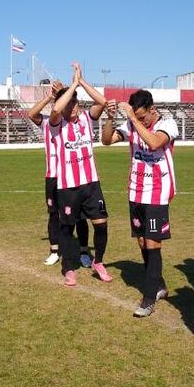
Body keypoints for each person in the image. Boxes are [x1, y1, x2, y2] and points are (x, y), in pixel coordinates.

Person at [101, 89, 178, 317]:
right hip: (136, 191)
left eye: (144, 116)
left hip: (157, 192)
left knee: (153, 244)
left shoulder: (169, 124)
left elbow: (154, 143)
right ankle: (160, 286)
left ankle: (148, 298)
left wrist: (134, 120)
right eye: (137, 117)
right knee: (143, 242)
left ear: (153, 110)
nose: (140, 120)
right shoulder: (131, 124)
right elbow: (106, 140)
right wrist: (110, 118)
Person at [48, 63, 111, 286]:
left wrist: (81, 82)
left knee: (101, 223)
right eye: (69, 102)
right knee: (67, 228)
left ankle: (99, 261)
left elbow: (102, 103)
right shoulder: (56, 124)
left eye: (75, 101)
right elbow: (56, 110)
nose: (73, 106)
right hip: (68, 187)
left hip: (91, 184)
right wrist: (71, 86)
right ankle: (68, 268)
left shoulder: (86, 119)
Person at [26, 83, 91, 267]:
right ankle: (55, 250)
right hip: (53, 176)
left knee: (80, 215)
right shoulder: (48, 122)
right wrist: (49, 97)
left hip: (72, 174)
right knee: (54, 214)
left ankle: (84, 251)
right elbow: (31, 114)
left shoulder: (74, 122)